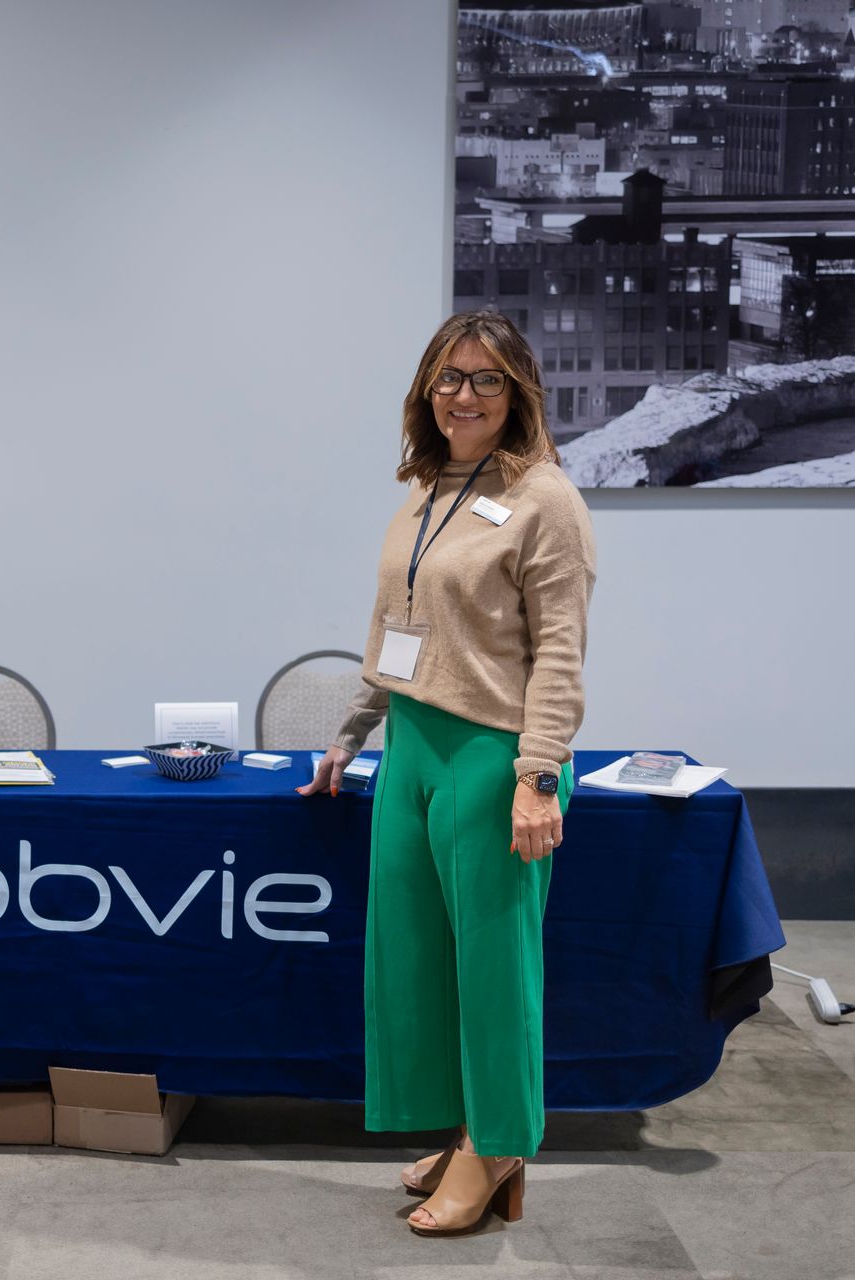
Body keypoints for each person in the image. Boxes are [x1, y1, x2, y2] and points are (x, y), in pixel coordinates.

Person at [298, 309, 595, 1237]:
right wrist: (353, 732)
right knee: (419, 964)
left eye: (488, 379)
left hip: (491, 756)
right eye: (450, 378)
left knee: (494, 969)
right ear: (428, 390)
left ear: (520, 393)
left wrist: (538, 776)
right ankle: (471, 1128)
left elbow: (559, 654)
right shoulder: (429, 487)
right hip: (413, 750)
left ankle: (499, 1145)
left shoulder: (548, 499)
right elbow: (399, 629)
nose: (465, 395)